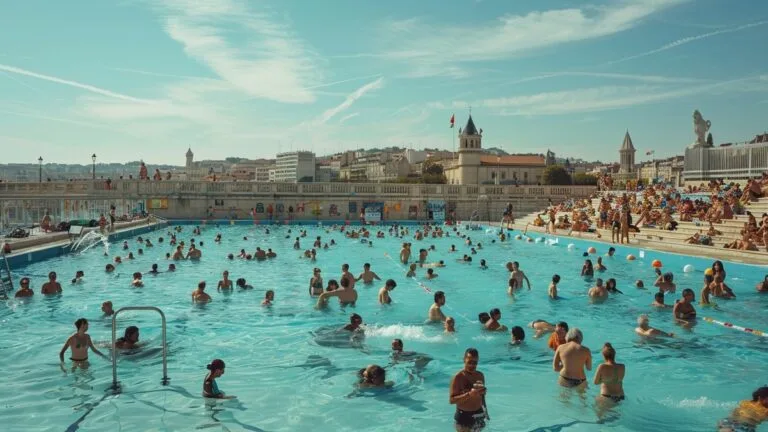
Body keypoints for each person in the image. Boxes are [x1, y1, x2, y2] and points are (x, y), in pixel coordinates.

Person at [449, 348, 488, 432]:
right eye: (469, 362)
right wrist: (469, 394)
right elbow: (452, 400)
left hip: (479, 414)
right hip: (464, 416)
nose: (472, 365)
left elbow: (482, 397)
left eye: (475, 363)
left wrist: (486, 411)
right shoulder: (458, 377)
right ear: (464, 360)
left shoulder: (480, 375)